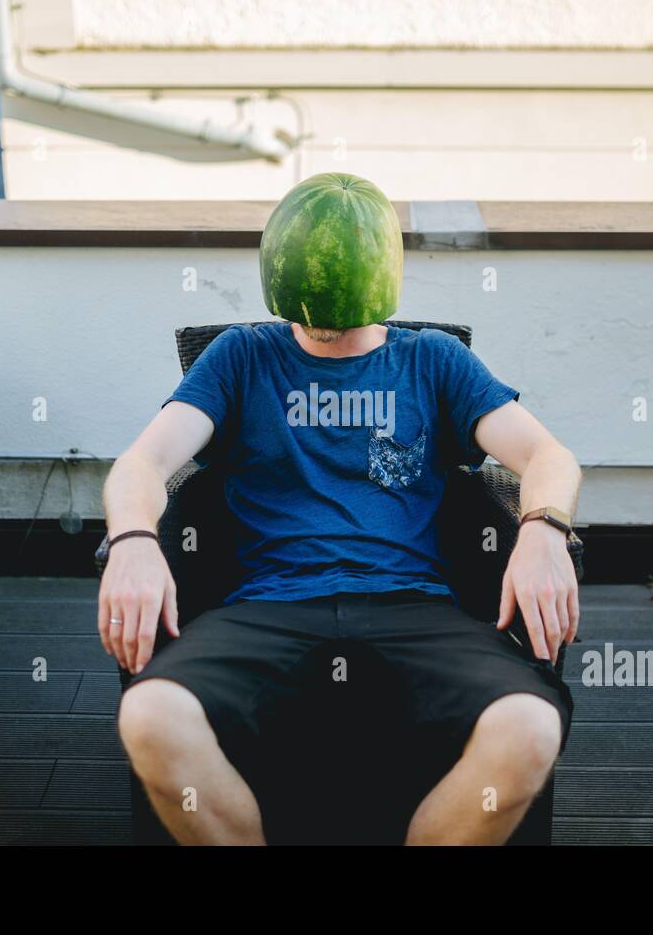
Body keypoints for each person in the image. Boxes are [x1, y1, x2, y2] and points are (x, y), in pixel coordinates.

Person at [98, 174, 582, 845]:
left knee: (529, 728)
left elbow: (550, 457)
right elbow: (142, 463)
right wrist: (132, 542)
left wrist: (542, 532)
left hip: (413, 608)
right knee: (150, 715)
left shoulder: (434, 361)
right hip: (268, 608)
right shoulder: (241, 356)